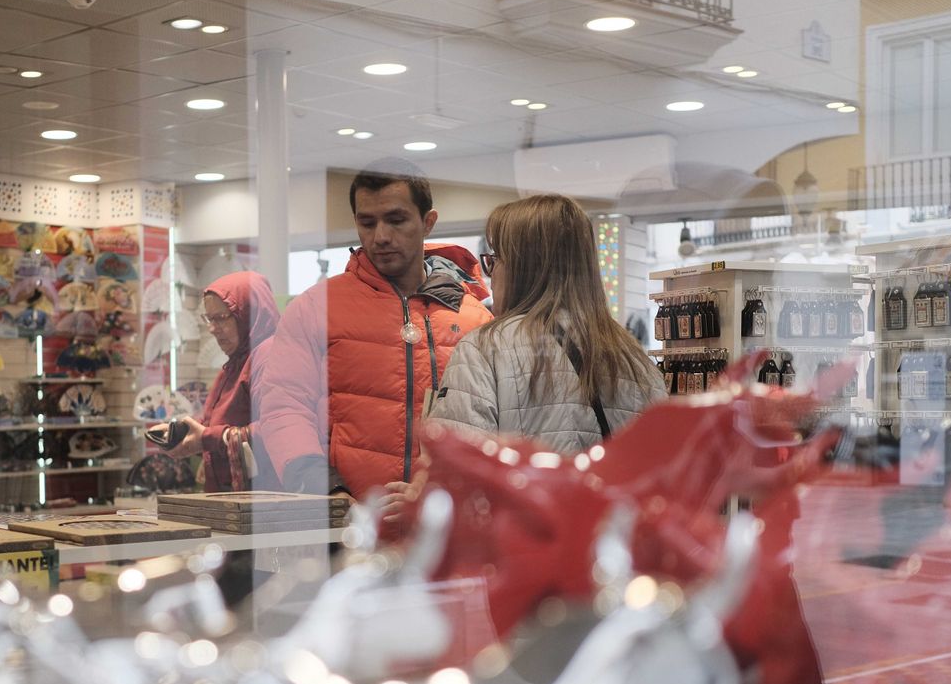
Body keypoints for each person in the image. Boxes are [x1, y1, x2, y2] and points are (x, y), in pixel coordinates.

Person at [258, 159, 494, 502]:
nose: (381, 237)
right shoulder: (316, 307)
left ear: (428, 222)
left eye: (396, 220)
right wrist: (323, 486)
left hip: (445, 527)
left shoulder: (473, 318)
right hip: (347, 526)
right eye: (367, 223)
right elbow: (284, 406)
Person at [431, 194, 664, 450]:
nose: (492, 273)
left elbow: (462, 467)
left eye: (495, 259)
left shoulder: (485, 348)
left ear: (521, 267)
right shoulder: (633, 357)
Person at [168, 270, 282, 491]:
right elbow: (217, 421)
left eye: (221, 318)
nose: (212, 329)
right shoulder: (236, 363)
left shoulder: (269, 357)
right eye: (209, 319)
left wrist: (207, 439)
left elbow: (278, 429)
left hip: (264, 506)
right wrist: (184, 434)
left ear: (250, 314)